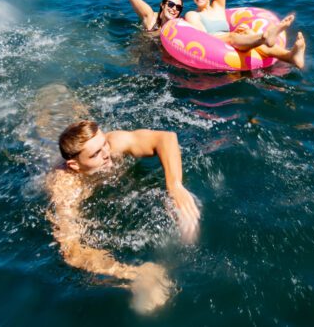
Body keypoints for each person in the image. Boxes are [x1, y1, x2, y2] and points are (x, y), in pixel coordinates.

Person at [46, 119, 200, 313]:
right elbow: (71, 251)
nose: (106, 154)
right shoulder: (65, 189)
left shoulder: (113, 143)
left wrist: (174, 185)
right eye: (95, 154)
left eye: (104, 144)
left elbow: (166, 138)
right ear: (74, 165)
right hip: (43, 144)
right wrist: (133, 274)